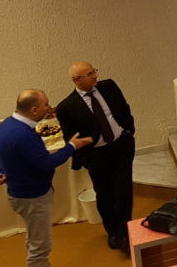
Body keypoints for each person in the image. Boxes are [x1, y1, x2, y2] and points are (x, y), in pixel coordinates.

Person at [0, 89, 93, 267]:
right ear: (34, 110)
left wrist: (0, 171)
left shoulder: (6, 125)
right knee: (40, 246)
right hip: (33, 198)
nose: (49, 108)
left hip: (19, 194)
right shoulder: (24, 135)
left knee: (34, 237)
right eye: (45, 104)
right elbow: (47, 163)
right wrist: (72, 146)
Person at [54, 61, 136, 252]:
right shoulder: (67, 106)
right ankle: (113, 231)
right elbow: (70, 137)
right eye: (90, 74)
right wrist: (86, 159)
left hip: (121, 146)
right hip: (97, 156)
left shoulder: (109, 86)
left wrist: (129, 131)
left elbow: (124, 109)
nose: (95, 76)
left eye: (94, 71)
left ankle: (125, 233)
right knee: (104, 194)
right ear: (76, 80)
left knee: (123, 192)